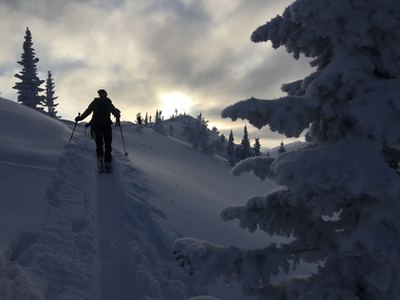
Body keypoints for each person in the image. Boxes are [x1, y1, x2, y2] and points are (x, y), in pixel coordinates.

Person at [75, 89, 120, 172]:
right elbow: (115, 114)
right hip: (106, 125)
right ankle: (108, 162)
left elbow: (88, 111)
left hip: (96, 125)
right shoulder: (109, 103)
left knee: (99, 143)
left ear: (99, 95)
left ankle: (100, 158)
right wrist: (117, 113)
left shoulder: (95, 102)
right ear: (106, 95)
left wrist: (80, 118)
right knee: (108, 143)